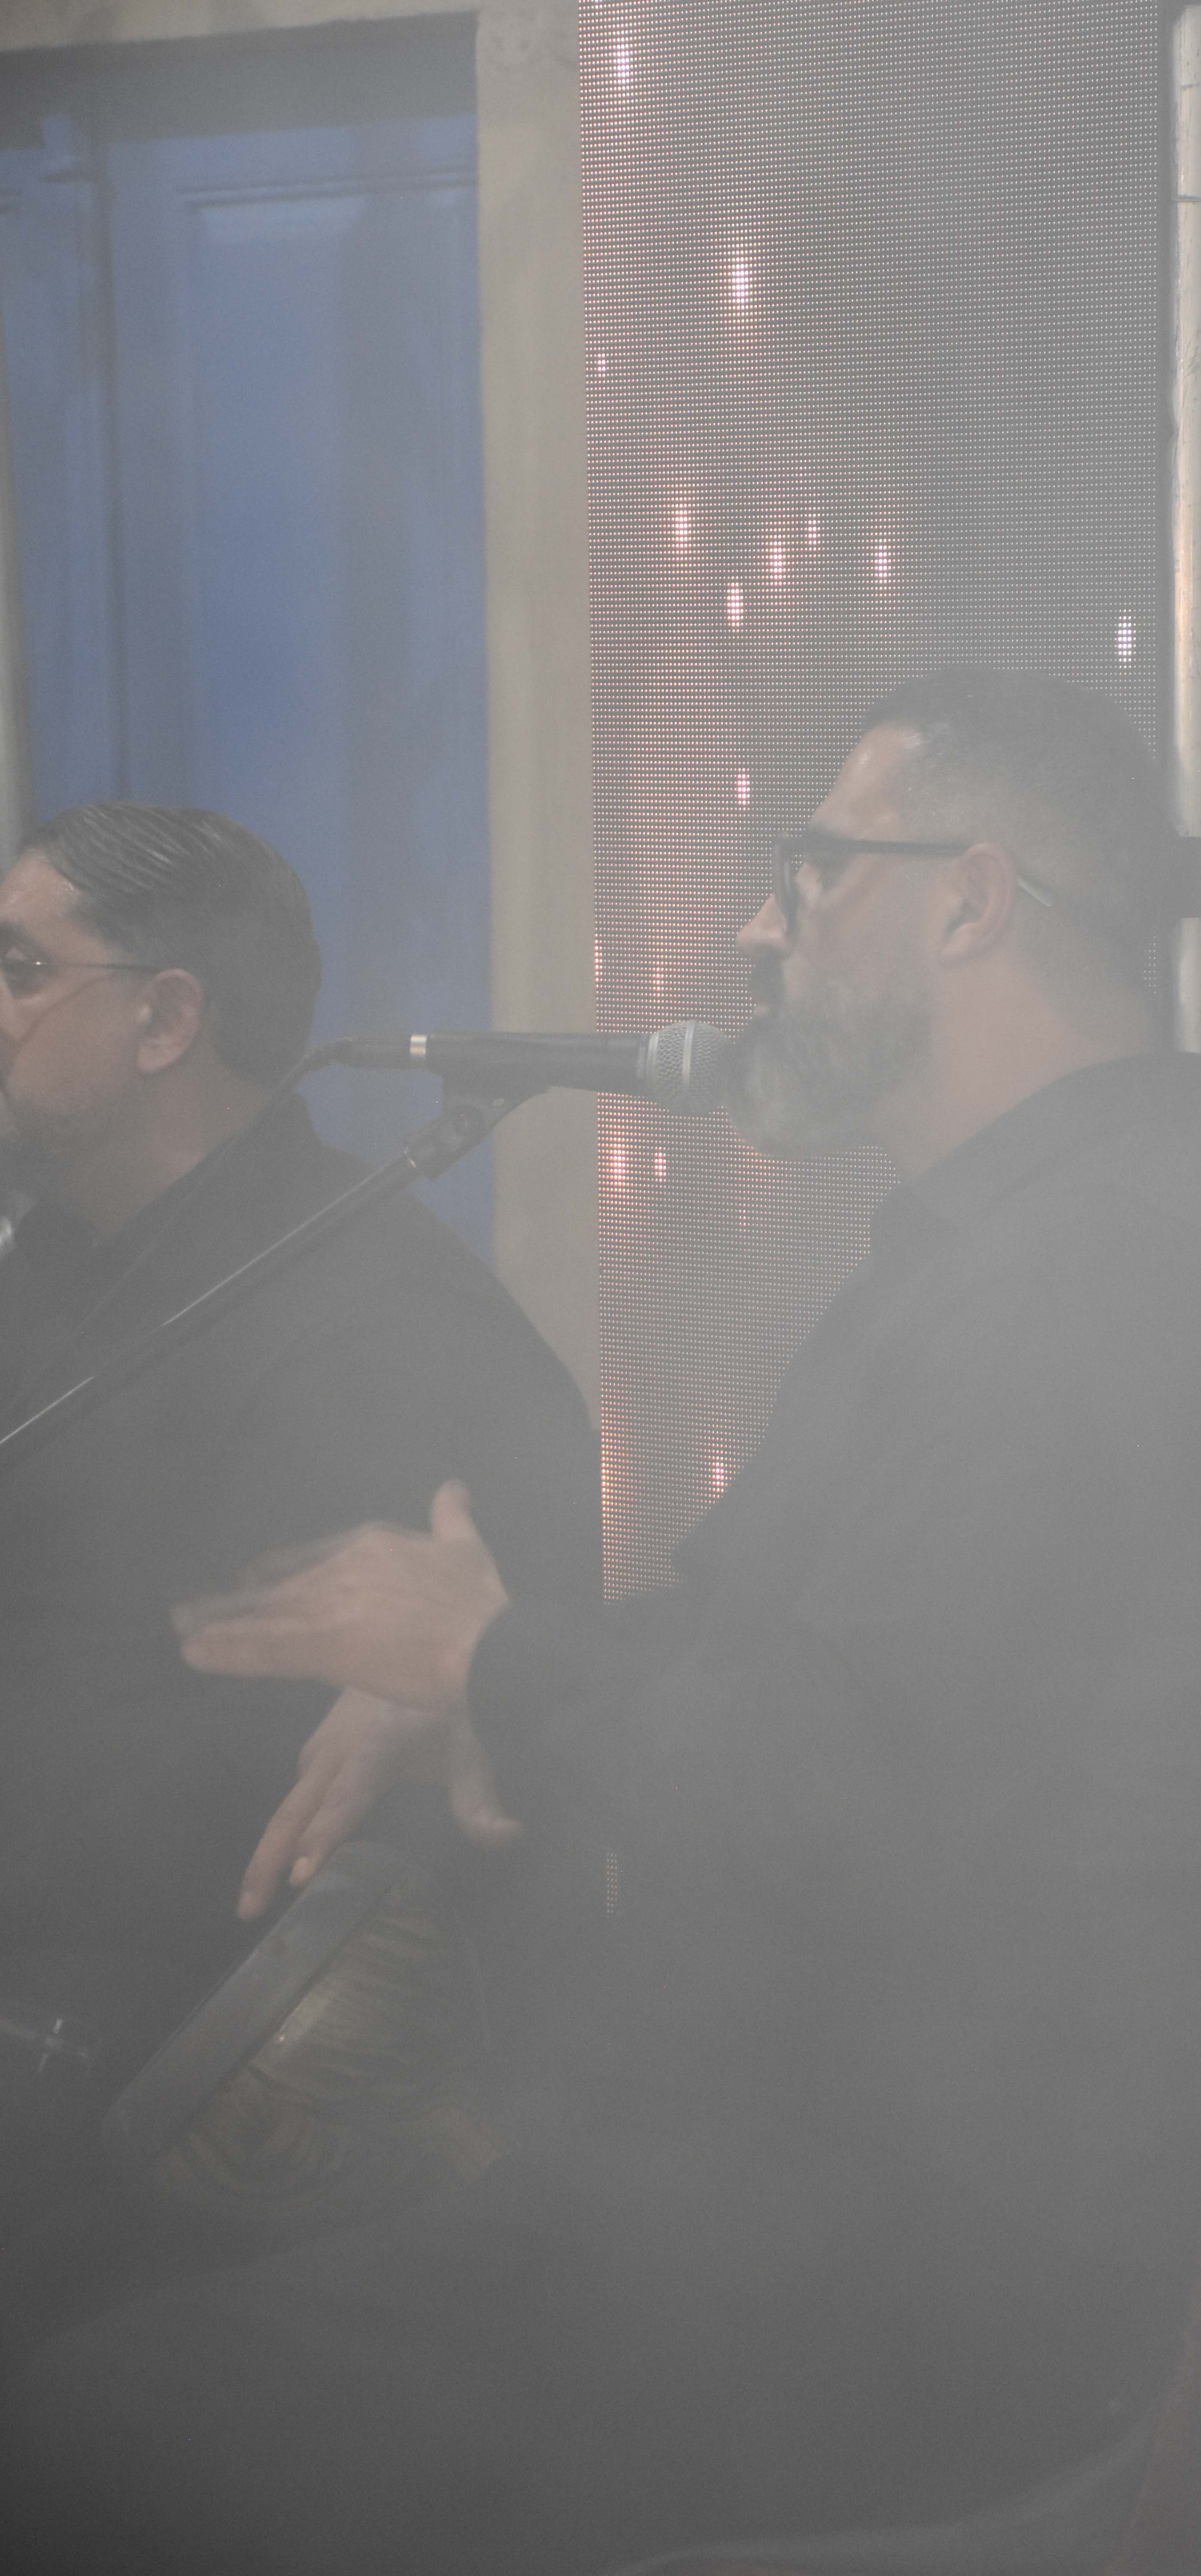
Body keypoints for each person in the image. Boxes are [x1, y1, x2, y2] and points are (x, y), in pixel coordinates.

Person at [1, 678, 1201, 2574]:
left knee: (94, 2433)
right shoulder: (1026, 1250)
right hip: (809, 2196)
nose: (757, 926)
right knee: (110, 2312)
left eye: (810, 872)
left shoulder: (1099, 1299)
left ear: (970, 900)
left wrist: (493, 1656)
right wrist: (472, 1688)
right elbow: (781, 1657)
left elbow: (846, 1805)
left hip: (911, 2286)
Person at [0, 802, 599, 2237]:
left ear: (167, 1020)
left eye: (22, 969)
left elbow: (251, 1805)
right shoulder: (61, 1250)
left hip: (179, 2110)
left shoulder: (385, 1330)